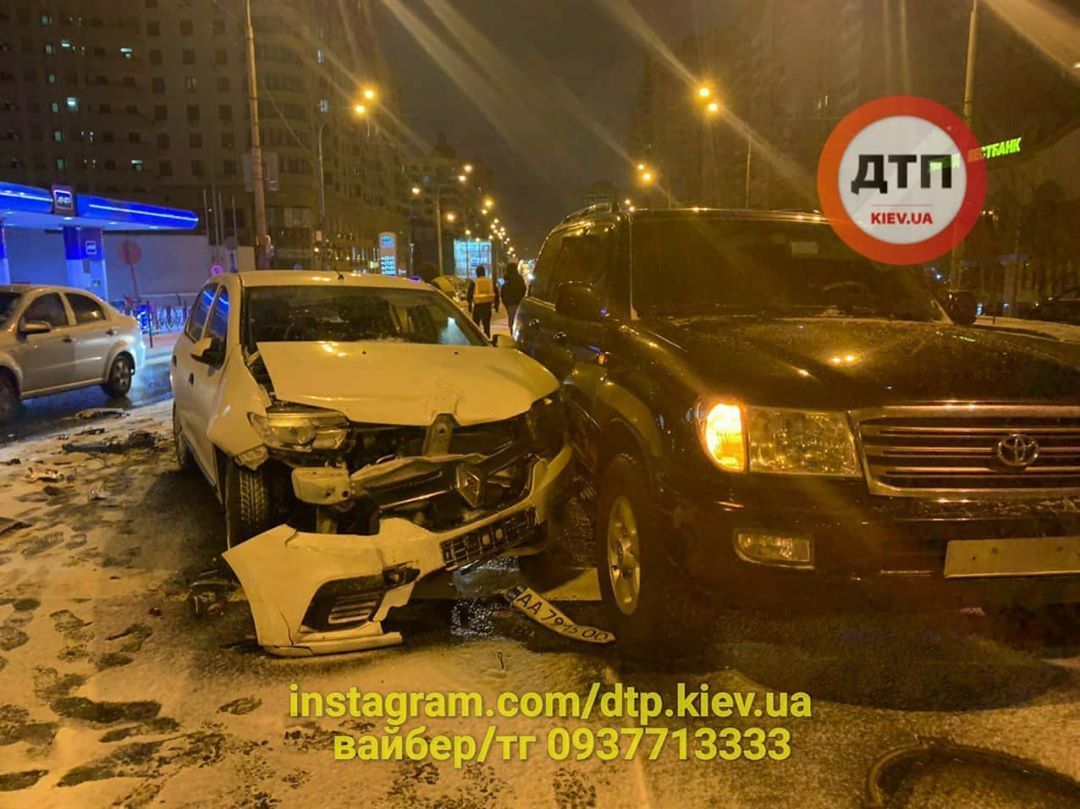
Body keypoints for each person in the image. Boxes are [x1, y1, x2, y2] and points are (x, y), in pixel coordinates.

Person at [466, 265, 499, 338]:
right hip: (487, 307)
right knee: (487, 327)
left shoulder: (474, 282)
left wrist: (470, 305)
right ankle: (487, 339)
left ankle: (477, 340)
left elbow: (469, 295)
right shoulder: (490, 281)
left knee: (476, 327)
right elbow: (497, 294)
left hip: (477, 307)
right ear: (484, 272)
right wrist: (496, 306)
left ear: (477, 273)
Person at [500, 262, 527, 331]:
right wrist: (521, 297)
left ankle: (512, 332)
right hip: (519, 302)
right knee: (518, 318)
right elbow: (524, 289)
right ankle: (518, 331)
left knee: (511, 318)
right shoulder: (520, 278)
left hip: (510, 302)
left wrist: (505, 301)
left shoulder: (505, 279)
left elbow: (502, 291)